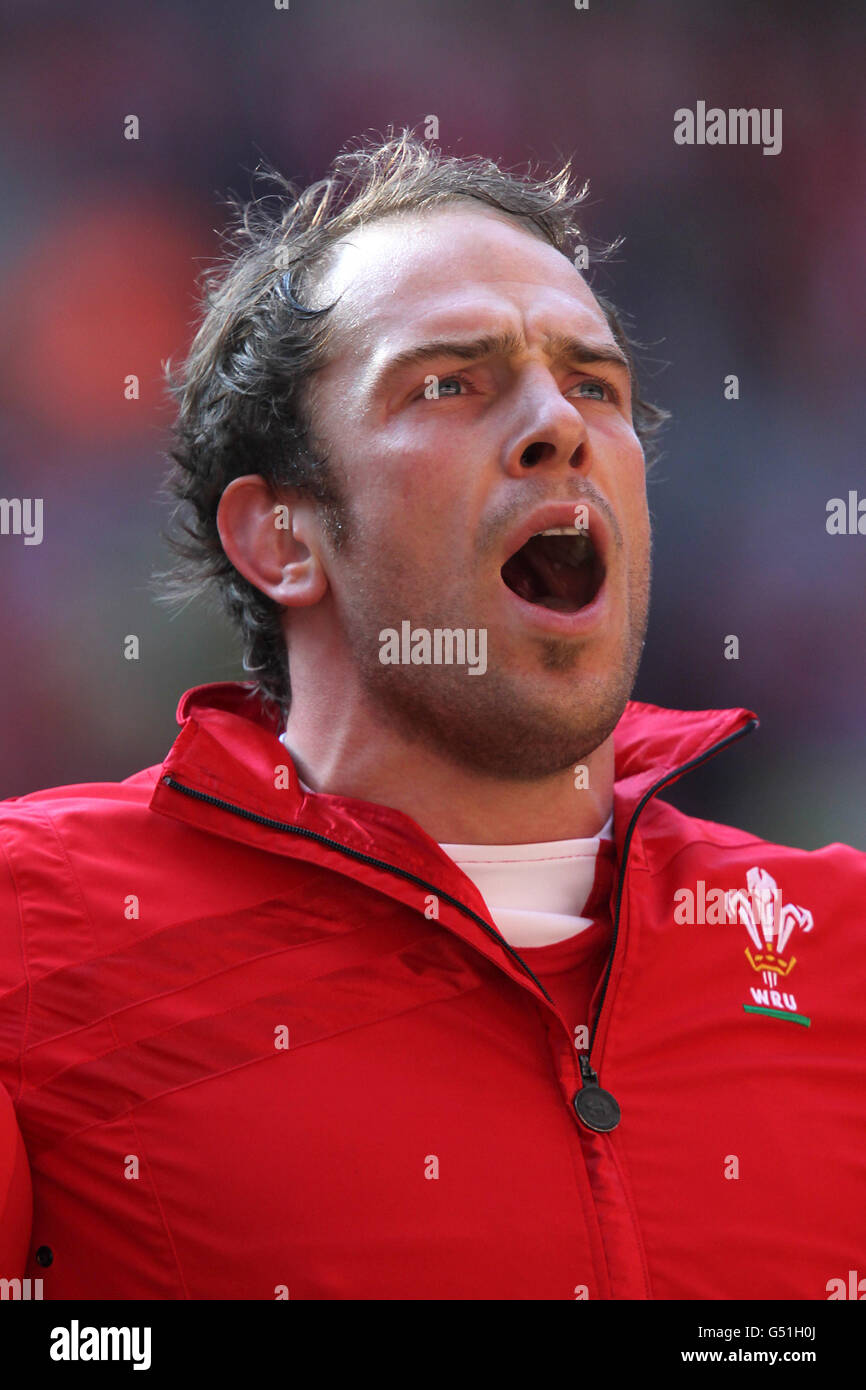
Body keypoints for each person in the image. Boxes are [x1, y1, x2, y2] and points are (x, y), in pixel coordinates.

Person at [1, 130, 863, 1301]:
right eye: (448, 382)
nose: (559, 423)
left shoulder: (836, 939)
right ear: (281, 536)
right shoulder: (32, 930)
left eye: (595, 384)